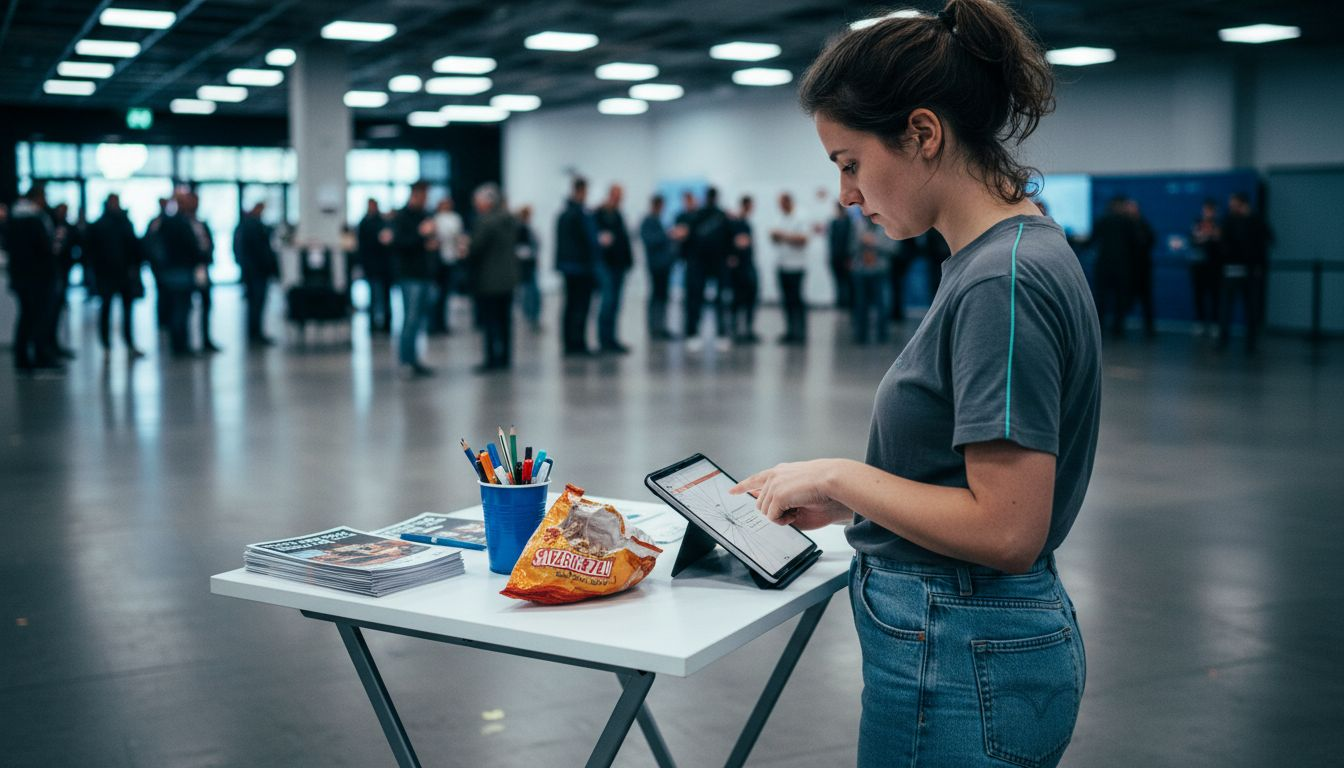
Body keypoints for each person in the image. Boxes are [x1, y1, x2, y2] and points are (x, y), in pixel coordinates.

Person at [735, 4, 1098, 766]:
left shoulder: (1003, 278)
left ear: (922, 134)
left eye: (849, 163)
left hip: (963, 651)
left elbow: (1006, 530)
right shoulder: (1006, 255)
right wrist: (852, 501)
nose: (845, 194)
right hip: (968, 643)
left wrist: (843, 472)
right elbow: (966, 484)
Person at [6, 184, 63, 372]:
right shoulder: (33, 219)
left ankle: (26, 359)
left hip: (24, 277)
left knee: (28, 318)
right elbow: (43, 248)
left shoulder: (14, 218)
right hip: (36, 278)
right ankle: (36, 358)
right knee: (35, 318)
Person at [465, 184, 519, 372]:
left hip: (489, 280)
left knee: (490, 322)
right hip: (508, 278)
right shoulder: (509, 220)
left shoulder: (485, 222)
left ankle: (491, 359)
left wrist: (466, 248)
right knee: (505, 321)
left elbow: (475, 249)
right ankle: (505, 358)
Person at [86, 194, 146, 357]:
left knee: (126, 310)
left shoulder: (124, 224)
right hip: (107, 275)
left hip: (124, 274)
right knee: (106, 309)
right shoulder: (100, 225)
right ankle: (106, 344)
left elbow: (135, 248)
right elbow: (91, 251)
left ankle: (128, 343)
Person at [158, 190, 216, 357]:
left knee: (198, 305)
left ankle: (203, 340)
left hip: (198, 269)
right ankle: (180, 345)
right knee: (181, 308)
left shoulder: (197, 222)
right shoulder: (173, 222)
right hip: (181, 270)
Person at [390, 181, 438, 376]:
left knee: (419, 320)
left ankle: (414, 359)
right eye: (424, 195)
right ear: (415, 195)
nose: (426, 199)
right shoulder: (402, 217)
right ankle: (405, 361)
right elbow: (399, 243)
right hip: (409, 276)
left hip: (425, 274)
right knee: (410, 319)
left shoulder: (425, 216)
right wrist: (420, 235)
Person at [1218, 191, 1271, 353]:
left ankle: (1251, 343)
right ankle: (1223, 340)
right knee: (1226, 307)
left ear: (1242, 204)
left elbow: (1268, 237)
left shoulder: (1255, 220)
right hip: (1232, 269)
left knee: (1251, 308)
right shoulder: (1228, 220)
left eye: (1234, 203)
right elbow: (1223, 244)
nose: (1231, 206)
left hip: (1250, 270)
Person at [682, 186, 733, 351]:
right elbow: (687, 239)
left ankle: (721, 334)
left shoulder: (722, 216)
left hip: (717, 263)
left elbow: (729, 239)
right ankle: (692, 334)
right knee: (695, 301)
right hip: (699, 263)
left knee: (719, 301)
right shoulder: (697, 216)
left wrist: (731, 256)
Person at [555, 176, 599, 356]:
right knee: (579, 306)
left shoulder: (565, 214)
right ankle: (577, 343)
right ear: (580, 191)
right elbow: (590, 241)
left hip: (569, 267)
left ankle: (570, 343)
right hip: (580, 268)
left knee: (571, 306)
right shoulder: (579, 214)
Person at [234, 202, 280, 346]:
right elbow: (260, 251)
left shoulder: (247, 225)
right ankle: (255, 334)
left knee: (255, 303)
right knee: (256, 303)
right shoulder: (253, 225)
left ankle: (255, 333)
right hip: (256, 271)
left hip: (252, 270)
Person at [1090, 195, 1136, 338]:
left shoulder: (1103, 220)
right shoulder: (1127, 222)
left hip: (1104, 266)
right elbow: (1136, 244)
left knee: (1101, 299)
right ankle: (1118, 329)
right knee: (1119, 299)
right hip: (1122, 267)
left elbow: (1091, 240)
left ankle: (1100, 328)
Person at [594, 184, 633, 354]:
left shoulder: (618, 214)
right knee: (608, 302)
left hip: (619, 266)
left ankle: (611, 339)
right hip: (607, 266)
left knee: (615, 304)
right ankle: (604, 340)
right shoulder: (600, 213)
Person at [849, 215, 896, 344]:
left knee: (881, 304)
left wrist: (875, 243)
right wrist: (861, 242)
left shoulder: (887, 225)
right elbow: (850, 246)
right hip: (861, 270)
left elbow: (893, 248)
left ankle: (882, 335)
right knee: (860, 304)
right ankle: (861, 335)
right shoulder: (857, 225)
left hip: (880, 270)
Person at [771, 192, 810, 344]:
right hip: (782, 264)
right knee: (786, 301)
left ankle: (800, 332)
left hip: (797, 266)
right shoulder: (780, 217)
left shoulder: (801, 216)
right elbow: (774, 235)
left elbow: (803, 239)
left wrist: (783, 235)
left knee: (797, 301)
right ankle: (790, 331)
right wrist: (779, 236)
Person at [640, 194, 675, 340]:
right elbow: (650, 241)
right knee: (656, 297)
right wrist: (667, 235)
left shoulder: (657, 221)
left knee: (662, 296)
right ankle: (654, 328)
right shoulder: (648, 221)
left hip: (663, 266)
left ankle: (660, 326)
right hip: (656, 266)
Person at [47, 202, 79, 360]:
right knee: (49, 313)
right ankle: (48, 346)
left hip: (61, 273)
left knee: (56, 311)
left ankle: (53, 345)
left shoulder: (67, 227)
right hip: (52, 274)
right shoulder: (49, 224)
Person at [357, 199, 393, 335]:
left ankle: (386, 324)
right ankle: (373, 324)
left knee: (385, 296)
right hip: (372, 266)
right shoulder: (365, 222)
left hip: (384, 267)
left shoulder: (383, 221)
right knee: (373, 296)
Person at [727, 195, 760, 343]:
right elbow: (740, 244)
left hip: (746, 266)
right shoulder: (738, 223)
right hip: (741, 269)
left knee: (748, 299)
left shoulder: (743, 222)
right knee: (739, 299)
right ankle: (737, 331)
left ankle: (746, 330)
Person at [430, 197, 465, 335]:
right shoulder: (435, 218)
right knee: (436, 294)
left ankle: (443, 323)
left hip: (451, 258)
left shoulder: (455, 218)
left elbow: (457, 235)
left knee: (446, 293)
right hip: (437, 261)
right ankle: (434, 323)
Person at [1188, 198, 1222, 335]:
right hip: (1199, 266)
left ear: (1215, 211)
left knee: (1215, 296)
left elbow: (1219, 241)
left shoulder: (1219, 224)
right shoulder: (1197, 223)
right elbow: (1194, 240)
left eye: (1211, 210)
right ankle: (1199, 322)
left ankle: (1215, 323)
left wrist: (1208, 237)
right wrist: (1206, 237)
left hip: (1214, 266)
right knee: (1198, 295)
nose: (1208, 213)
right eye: (1206, 210)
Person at [1125, 198, 1156, 338]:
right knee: (1127, 299)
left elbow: (1150, 240)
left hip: (1141, 270)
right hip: (1131, 270)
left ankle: (1149, 328)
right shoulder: (1128, 225)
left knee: (1145, 300)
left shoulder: (1142, 224)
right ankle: (1120, 327)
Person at [514, 205, 541, 332]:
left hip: (528, 263)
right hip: (526, 264)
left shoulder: (526, 227)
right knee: (530, 291)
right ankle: (530, 315)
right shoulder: (521, 228)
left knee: (530, 290)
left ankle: (531, 315)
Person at [827, 201, 854, 308]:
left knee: (847, 283)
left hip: (845, 258)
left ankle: (848, 305)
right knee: (838, 282)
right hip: (835, 257)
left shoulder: (849, 222)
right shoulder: (834, 222)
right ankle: (841, 304)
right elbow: (831, 241)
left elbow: (850, 241)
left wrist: (849, 258)